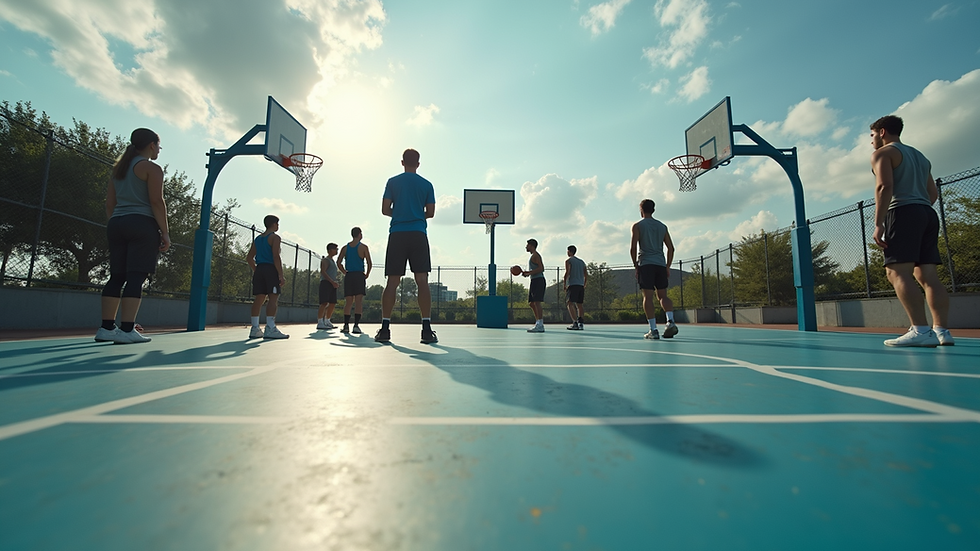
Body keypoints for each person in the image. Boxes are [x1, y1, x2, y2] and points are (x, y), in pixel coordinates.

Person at [870, 115, 952, 347]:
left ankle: (920, 330)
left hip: (903, 212)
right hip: (927, 213)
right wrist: (919, 210)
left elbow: (885, 186)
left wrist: (879, 223)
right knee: (927, 276)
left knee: (897, 272)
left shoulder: (883, 154)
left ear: (882, 132)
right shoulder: (920, 156)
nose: (872, 141)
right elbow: (932, 193)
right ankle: (942, 331)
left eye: (873, 135)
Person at [95, 128, 171, 344]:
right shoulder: (151, 168)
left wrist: (118, 223)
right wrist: (164, 232)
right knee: (136, 276)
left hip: (117, 223)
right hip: (141, 224)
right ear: (151, 145)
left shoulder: (118, 169)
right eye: (159, 146)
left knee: (117, 276)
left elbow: (110, 204)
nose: (159, 150)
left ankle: (106, 328)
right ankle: (127, 330)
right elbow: (157, 201)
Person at [375, 149, 437, 344]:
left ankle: (385, 329)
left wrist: (401, 213)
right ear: (418, 164)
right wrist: (416, 214)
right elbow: (431, 212)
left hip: (397, 234)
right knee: (422, 280)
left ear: (402, 162)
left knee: (392, 282)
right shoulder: (427, 184)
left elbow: (385, 210)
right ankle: (426, 330)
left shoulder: (392, 182)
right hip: (418, 233)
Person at [630, 199, 677, 340]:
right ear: (654, 210)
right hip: (660, 264)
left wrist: (636, 265)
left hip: (646, 264)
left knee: (648, 297)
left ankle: (653, 329)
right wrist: (667, 266)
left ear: (641, 210)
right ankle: (670, 321)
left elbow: (633, 248)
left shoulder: (638, 226)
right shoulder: (662, 226)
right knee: (663, 295)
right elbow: (671, 248)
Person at [247, 215, 288, 339]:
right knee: (273, 298)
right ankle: (270, 328)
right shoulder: (275, 237)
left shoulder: (258, 239)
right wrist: (280, 274)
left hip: (260, 269)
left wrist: (256, 270)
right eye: (277, 224)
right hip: (270, 269)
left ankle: (254, 328)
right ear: (274, 224)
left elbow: (249, 258)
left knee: (259, 299)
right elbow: (276, 256)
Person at [337, 227, 372, 334]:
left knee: (348, 302)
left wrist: (344, 272)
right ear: (359, 234)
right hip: (359, 275)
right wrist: (367, 274)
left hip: (349, 275)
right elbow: (369, 263)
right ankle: (356, 325)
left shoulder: (345, 248)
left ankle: (346, 325)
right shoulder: (364, 247)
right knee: (358, 302)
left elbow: (338, 262)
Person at [522, 239, 546, 332]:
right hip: (534, 280)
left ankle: (540, 324)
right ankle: (538, 322)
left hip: (539, 280)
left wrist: (529, 273)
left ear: (532, 246)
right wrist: (528, 273)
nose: (526, 247)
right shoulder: (533, 256)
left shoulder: (536, 255)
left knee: (536, 302)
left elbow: (541, 268)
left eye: (527, 245)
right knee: (532, 303)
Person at [563, 245, 588, 330]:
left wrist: (564, 283)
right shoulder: (582, 262)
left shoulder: (568, 261)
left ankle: (575, 323)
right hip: (580, 285)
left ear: (569, 251)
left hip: (573, 284)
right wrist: (584, 284)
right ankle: (581, 323)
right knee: (579, 305)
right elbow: (586, 274)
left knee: (570, 303)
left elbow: (568, 272)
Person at [317, 243, 340, 330]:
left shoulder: (332, 261)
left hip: (332, 284)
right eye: (335, 249)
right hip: (325, 283)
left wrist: (334, 282)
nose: (337, 251)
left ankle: (327, 320)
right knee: (324, 303)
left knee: (332, 303)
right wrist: (331, 281)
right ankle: (320, 322)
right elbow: (323, 272)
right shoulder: (326, 260)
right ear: (330, 250)